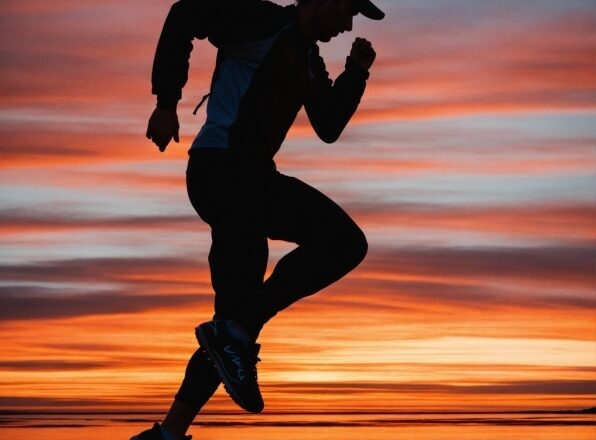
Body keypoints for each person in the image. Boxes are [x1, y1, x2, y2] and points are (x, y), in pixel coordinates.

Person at [132, 0, 384, 439]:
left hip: (245, 183)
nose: (346, 26)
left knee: (230, 323)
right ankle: (238, 333)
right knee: (344, 241)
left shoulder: (308, 59)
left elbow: (327, 124)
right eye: (346, 12)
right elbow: (186, 13)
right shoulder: (261, 21)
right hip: (224, 170)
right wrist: (166, 101)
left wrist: (356, 73)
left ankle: (168, 432)